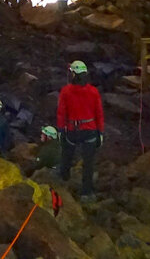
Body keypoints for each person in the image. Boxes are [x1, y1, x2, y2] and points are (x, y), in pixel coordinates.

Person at [56, 60, 104, 199]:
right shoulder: (93, 91)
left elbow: (61, 113)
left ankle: (63, 180)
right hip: (90, 130)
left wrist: (61, 130)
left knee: (67, 156)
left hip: (72, 130)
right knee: (88, 163)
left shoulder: (66, 91)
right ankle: (86, 191)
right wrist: (100, 132)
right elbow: (99, 113)